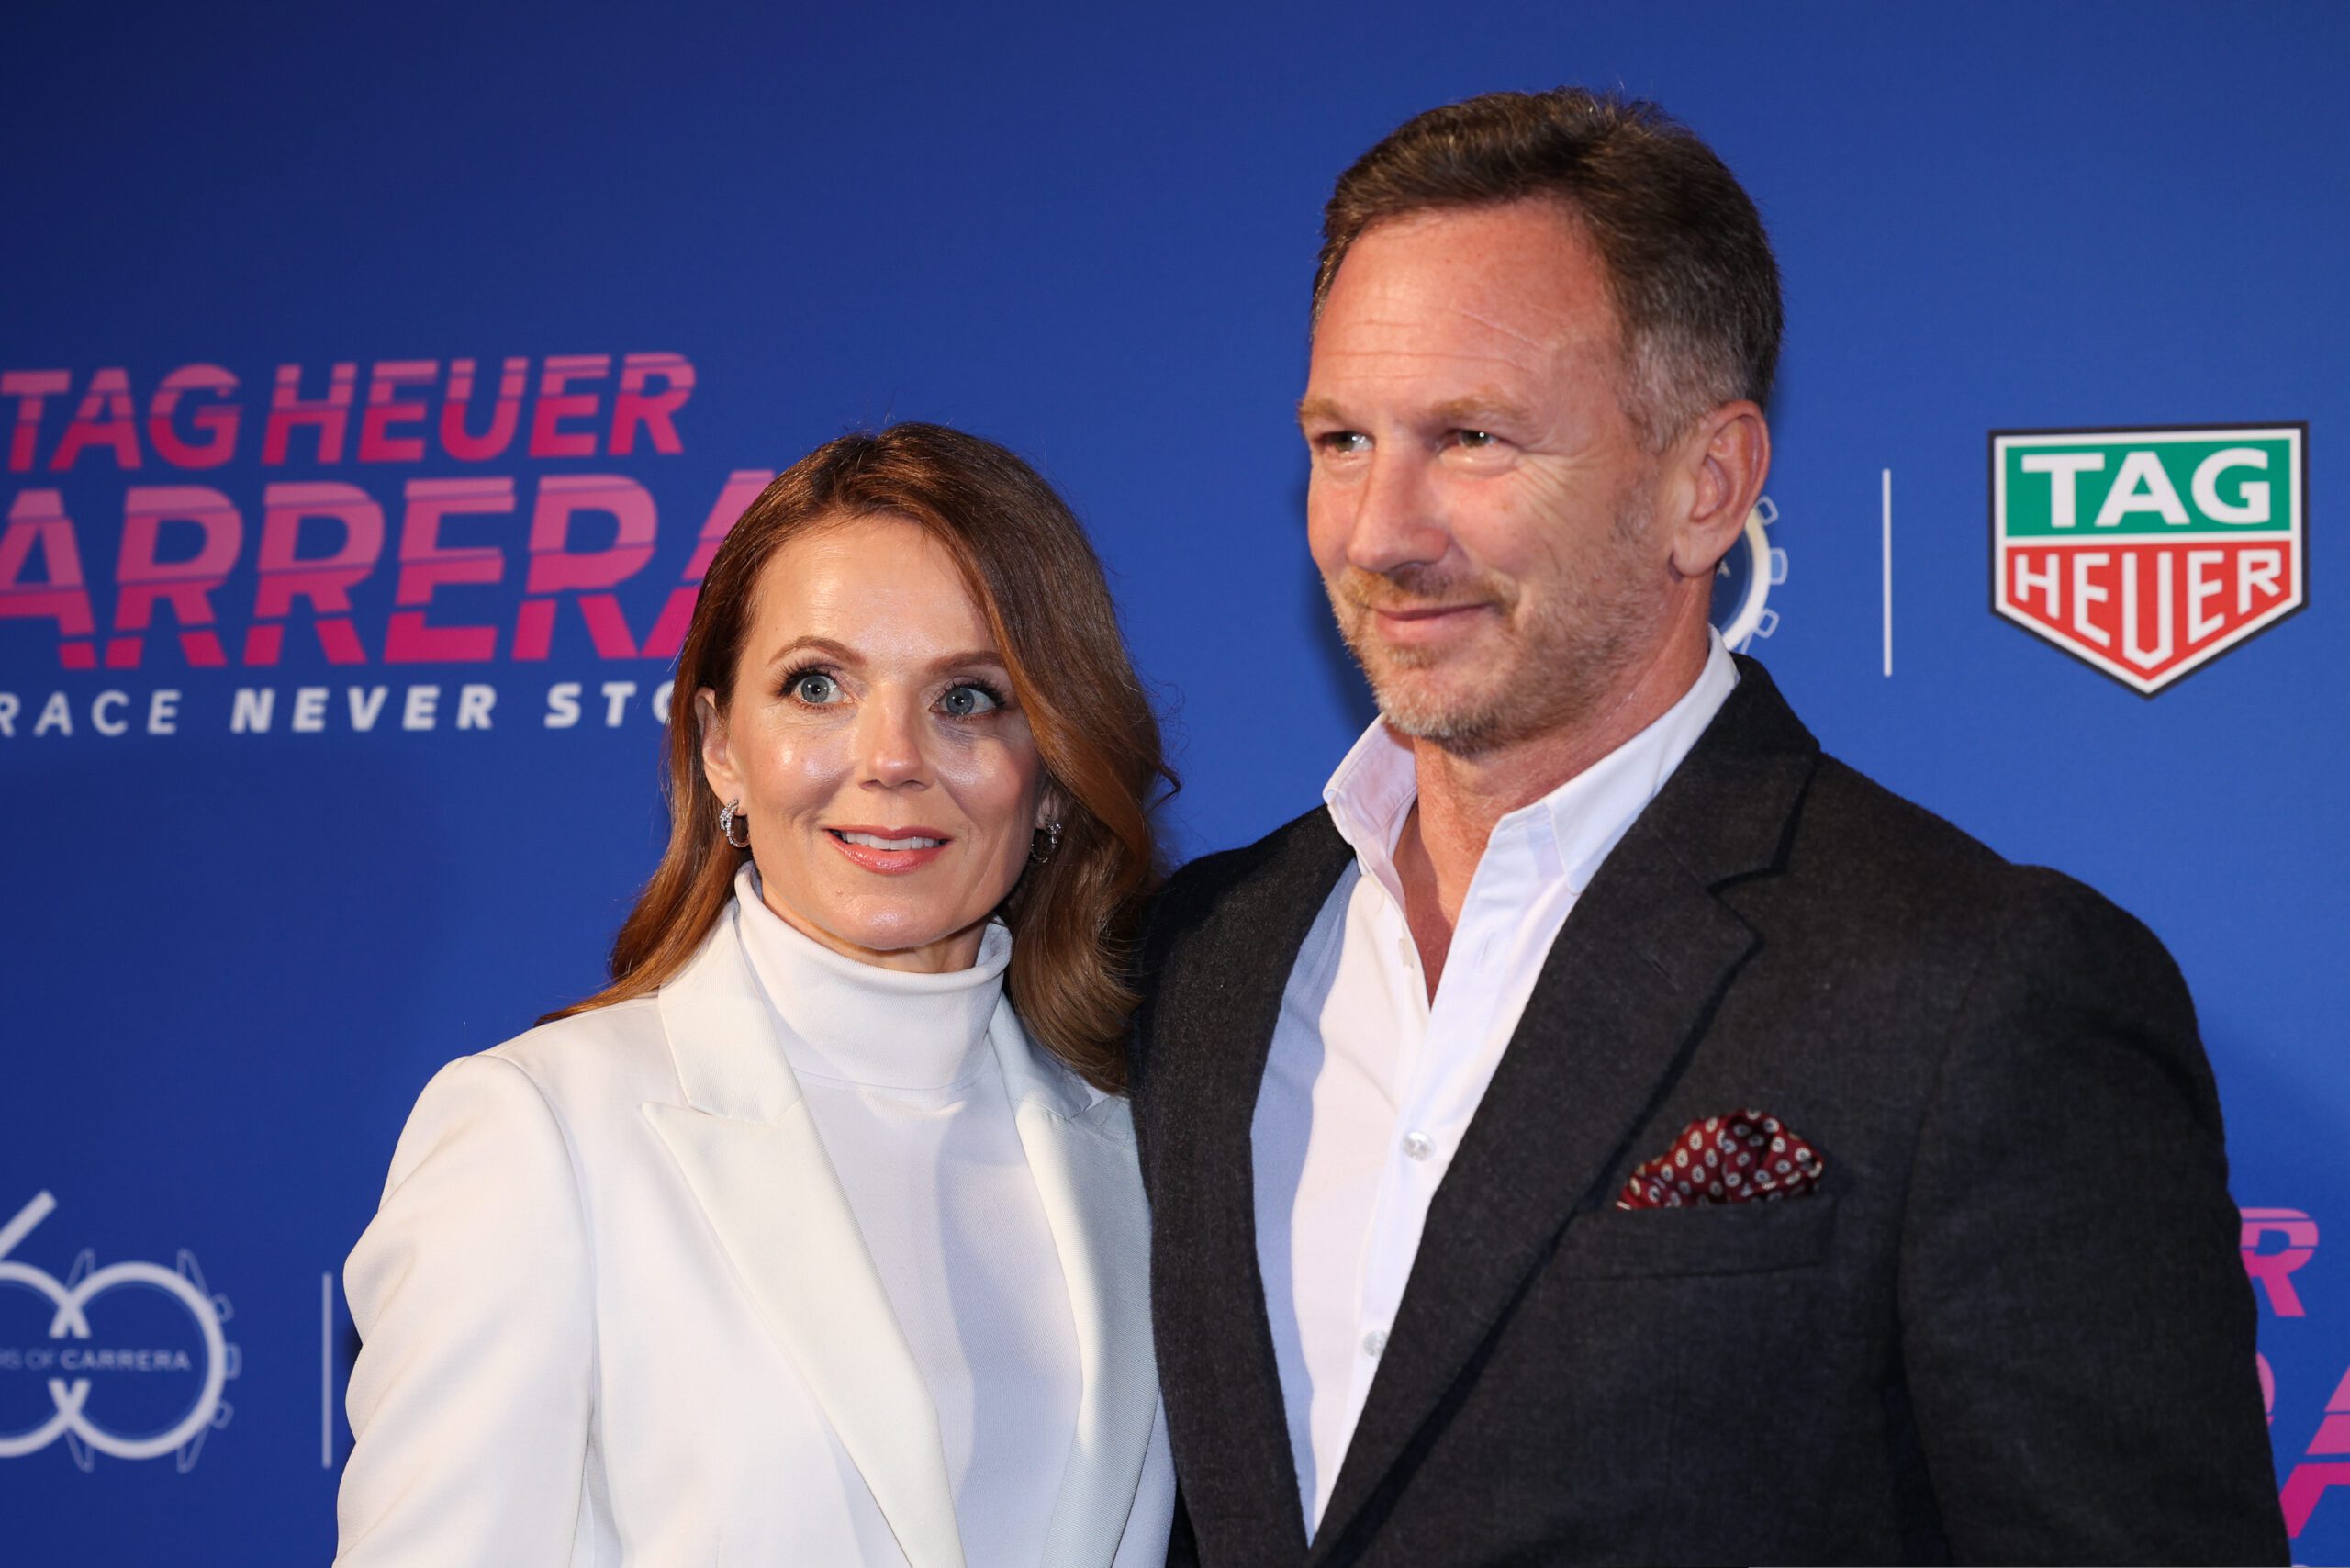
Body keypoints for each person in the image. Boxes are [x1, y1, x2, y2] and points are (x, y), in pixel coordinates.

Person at [1130, 89, 2287, 1565]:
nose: (1378, 531)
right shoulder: (1204, 958)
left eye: (1472, 438)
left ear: (1708, 487)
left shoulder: (1977, 989)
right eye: (1342, 439)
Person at [336, 423, 1177, 1568]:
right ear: (720, 745)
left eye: (970, 698)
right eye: (818, 685)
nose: (890, 758)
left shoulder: (1145, 1149)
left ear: (1053, 774)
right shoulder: (541, 1132)